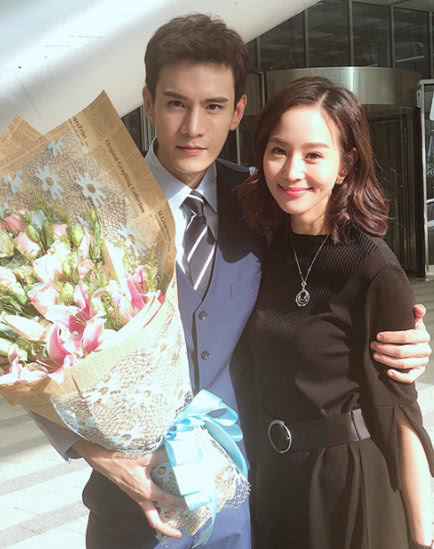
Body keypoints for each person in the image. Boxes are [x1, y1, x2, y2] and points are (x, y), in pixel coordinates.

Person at [31, 15, 432, 549]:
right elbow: (28, 349)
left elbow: (330, 279)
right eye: (176, 103)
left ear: (238, 111)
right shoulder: (88, 212)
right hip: (130, 508)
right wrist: (98, 454)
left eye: (214, 106)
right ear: (147, 103)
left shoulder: (263, 202)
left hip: (242, 504)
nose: (194, 127)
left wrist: (403, 337)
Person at [237, 76, 434, 549]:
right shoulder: (265, 245)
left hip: (347, 484)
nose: (292, 171)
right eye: (279, 151)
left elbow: (400, 410)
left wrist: (423, 535)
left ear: (345, 165)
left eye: (313, 155)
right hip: (275, 477)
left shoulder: (373, 266)